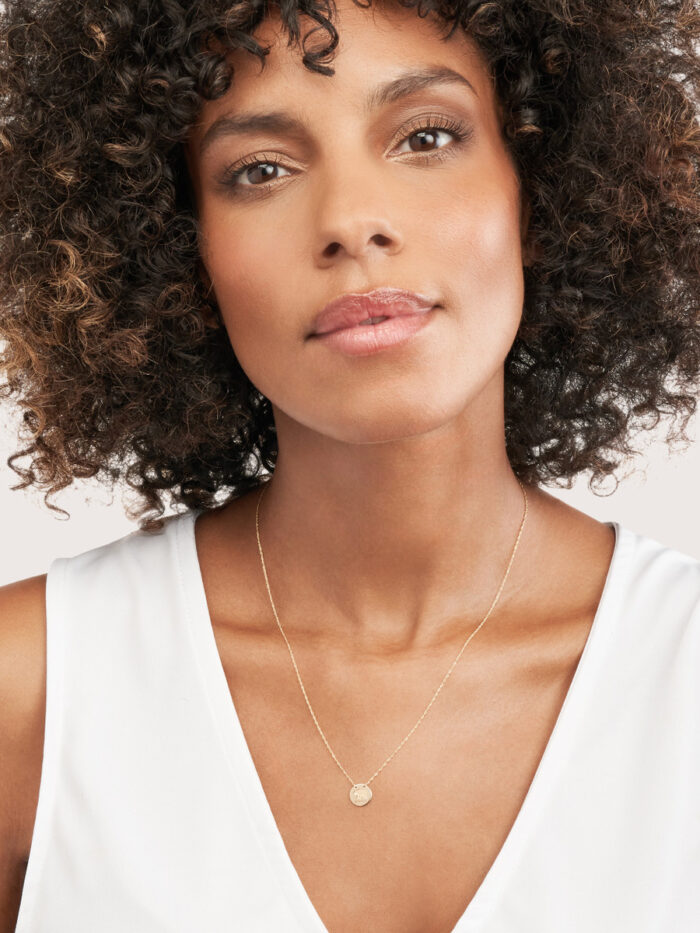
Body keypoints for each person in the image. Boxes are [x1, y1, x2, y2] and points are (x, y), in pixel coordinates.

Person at [1, 0, 699, 930]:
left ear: (536, 188)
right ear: (179, 250)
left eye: (426, 136)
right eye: (260, 170)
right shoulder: (31, 690)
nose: (351, 221)